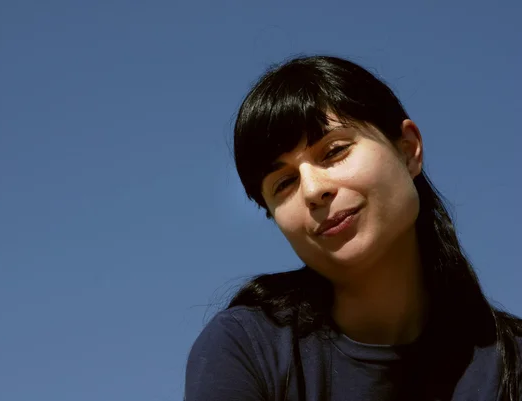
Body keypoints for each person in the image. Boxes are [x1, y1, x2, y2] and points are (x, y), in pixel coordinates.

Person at [184, 55, 522, 401]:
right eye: (284, 183)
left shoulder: (511, 365)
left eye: (334, 151)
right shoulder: (247, 349)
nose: (313, 190)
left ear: (408, 150)